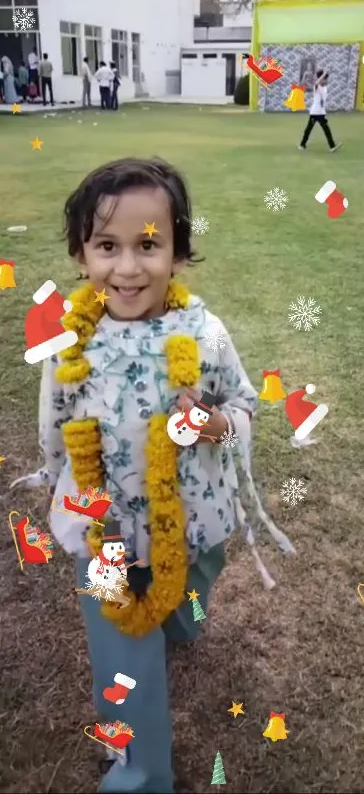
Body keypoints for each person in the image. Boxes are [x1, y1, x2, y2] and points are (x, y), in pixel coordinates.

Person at [10, 157, 294, 794]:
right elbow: (53, 424)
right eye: (107, 246)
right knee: (121, 656)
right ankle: (139, 775)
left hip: (193, 518)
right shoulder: (69, 344)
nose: (129, 267)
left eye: (148, 245)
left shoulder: (205, 333)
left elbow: (243, 405)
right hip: (101, 528)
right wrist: (63, 488)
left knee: (192, 589)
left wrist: (215, 425)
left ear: (178, 251)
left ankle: (181, 619)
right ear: (82, 254)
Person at [299, 69, 342, 152]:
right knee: (308, 130)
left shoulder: (324, 88)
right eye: (325, 79)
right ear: (321, 78)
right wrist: (323, 74)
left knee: (326, 130)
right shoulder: (317, 87)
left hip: (321, 113)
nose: (327, 81)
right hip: (315, 113)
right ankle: (302, 145)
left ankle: (332, 146)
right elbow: (316, 83)